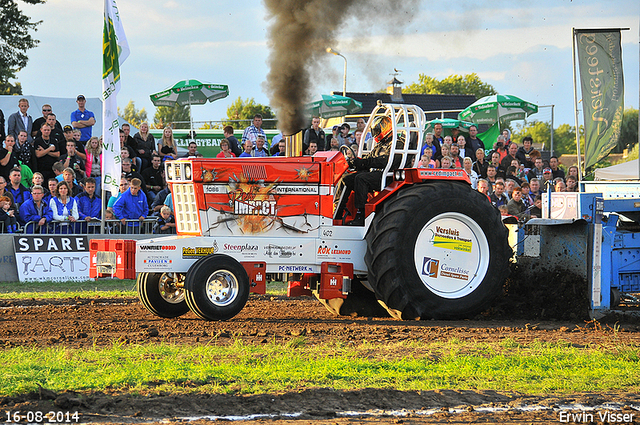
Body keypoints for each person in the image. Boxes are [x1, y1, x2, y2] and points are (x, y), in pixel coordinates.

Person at [337, 116, 401, 226]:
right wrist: (356, 162)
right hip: (376, 174)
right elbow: (370, 159)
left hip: (389, 176)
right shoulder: (380, 144)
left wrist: (364, 163)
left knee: (361, 179)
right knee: (346, 178)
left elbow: (385, 161)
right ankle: (338, 208)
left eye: (377, 131)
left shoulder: (397, 143)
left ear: (385, 128)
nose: (375, 133)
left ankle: (361, 213)